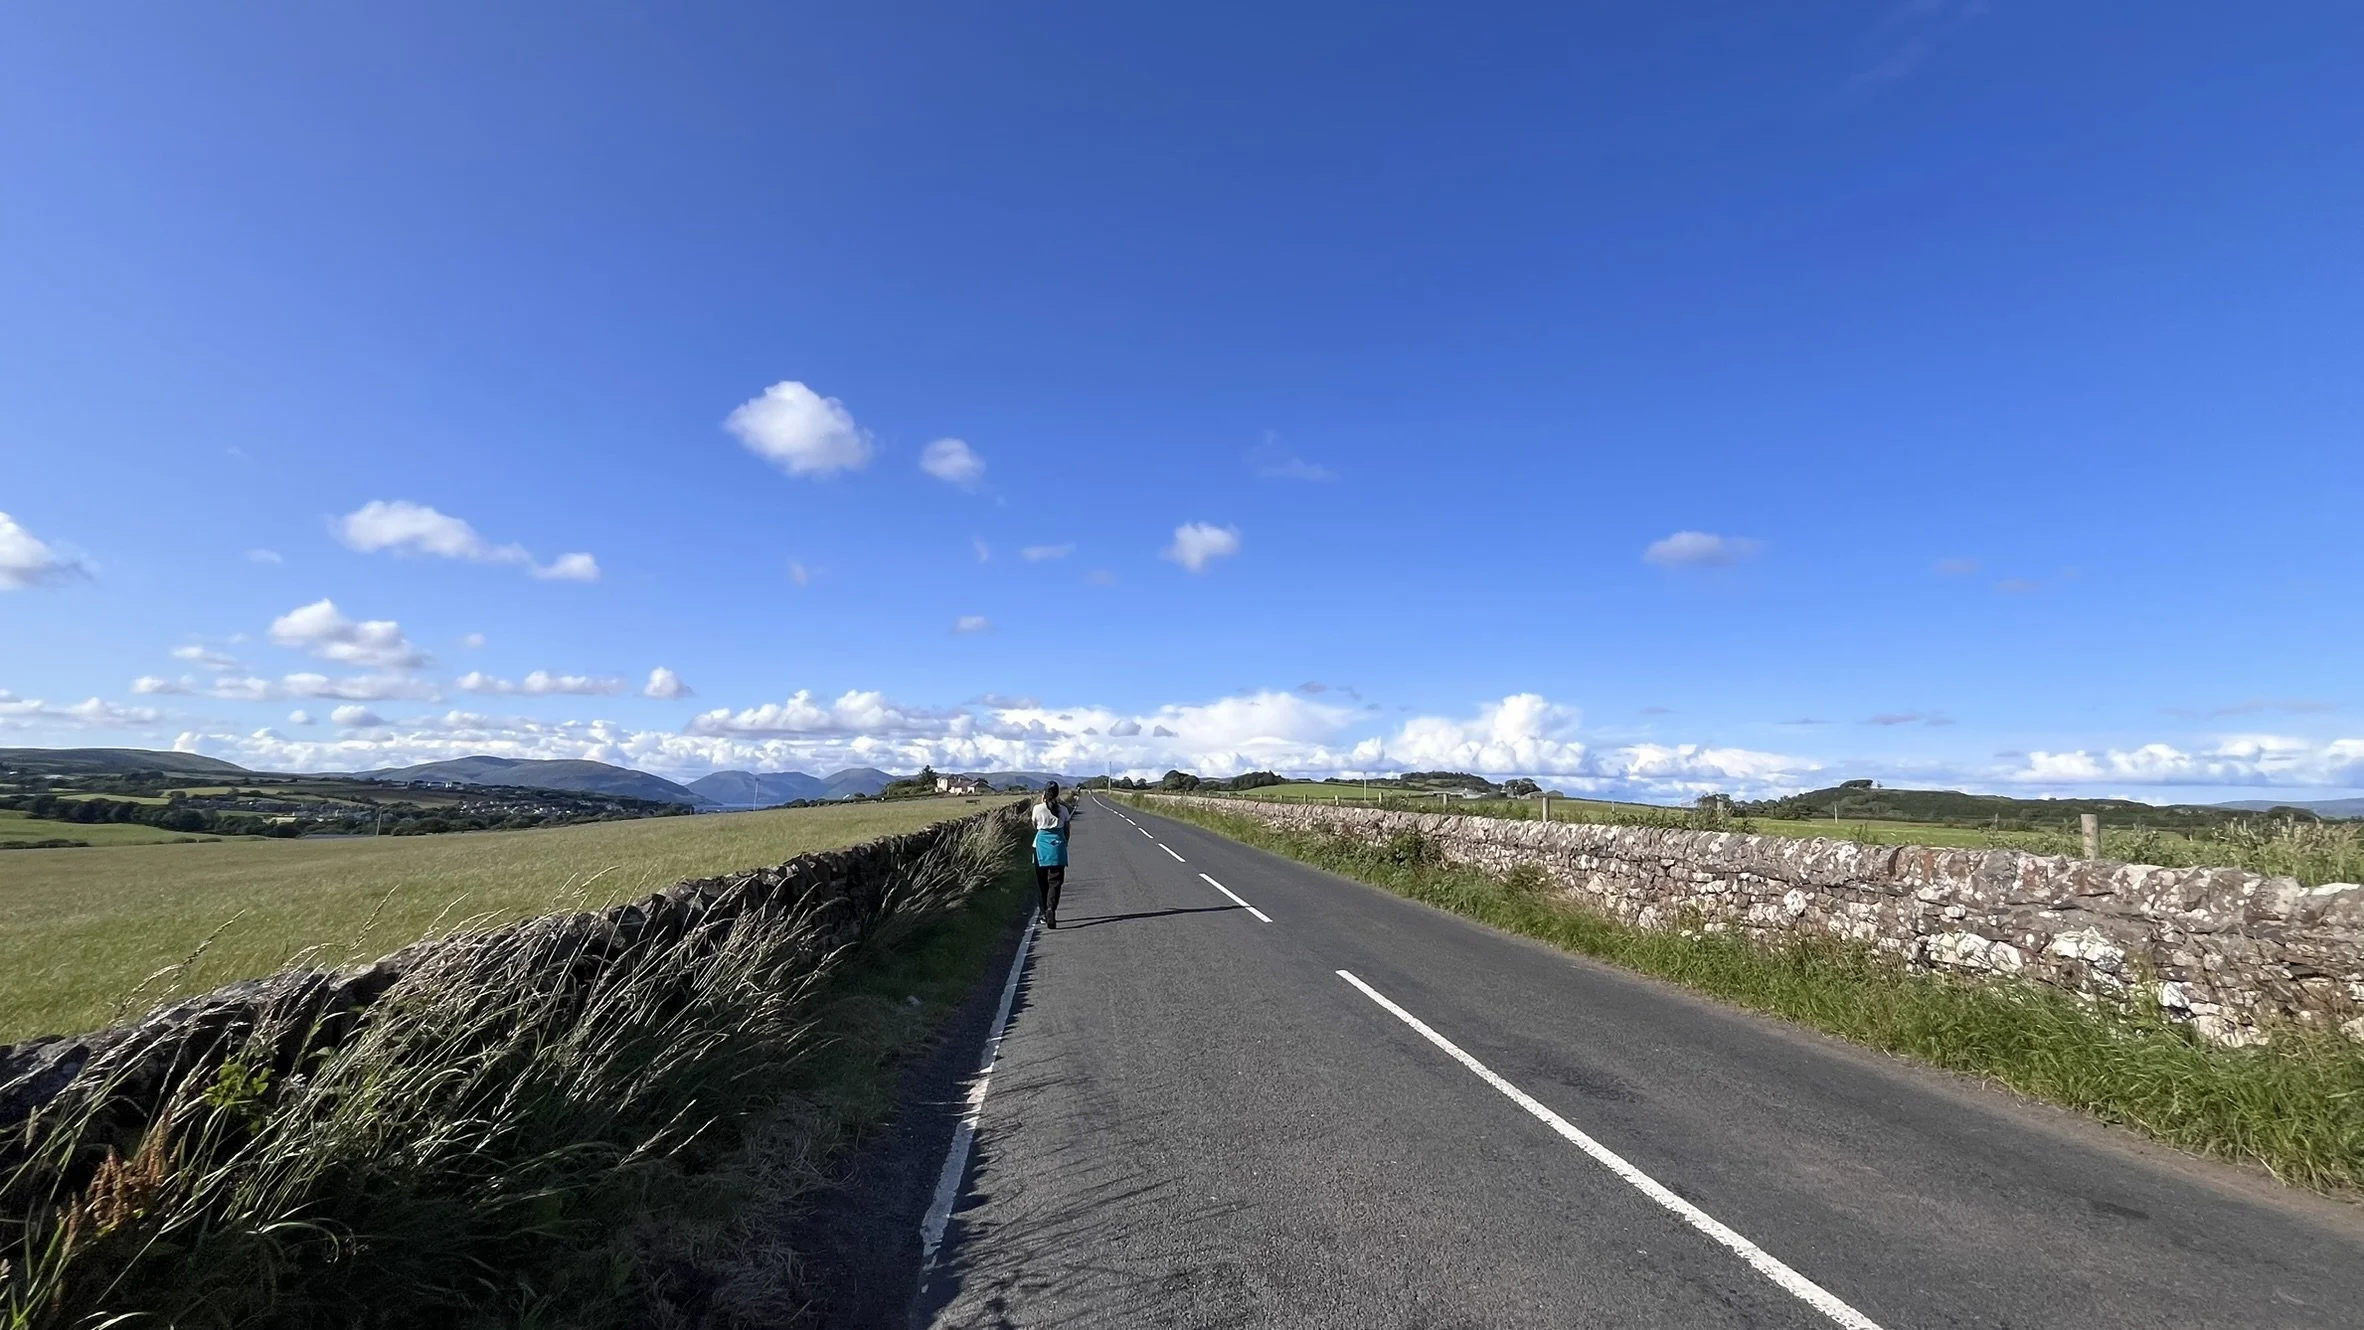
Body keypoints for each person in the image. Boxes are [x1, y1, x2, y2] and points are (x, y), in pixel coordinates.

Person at [1032, 782, 1071, 928]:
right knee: (1056, 882)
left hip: (1040, 847)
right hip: (1058, 847)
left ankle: (1043, 912)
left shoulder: (1037, 809)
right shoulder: (1064, 810)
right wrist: (1064, 843)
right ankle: (1051, 909)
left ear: (1044, 793)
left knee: (1041, 882)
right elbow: (1067, 830)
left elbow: (1034, 826)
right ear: (1057, 793)